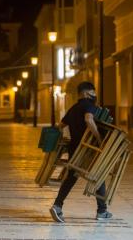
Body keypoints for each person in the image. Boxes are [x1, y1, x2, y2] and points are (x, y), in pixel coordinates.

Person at [49, 81, 112, 222]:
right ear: (85, 93)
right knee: (98, 174)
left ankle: (57, 206)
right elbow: (89, 120)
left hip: (74, 149)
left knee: (71, 177)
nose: (94, 95)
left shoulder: (73, 108)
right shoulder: (89, 105)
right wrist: (98, 138)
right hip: (87, 150)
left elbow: (61, 125)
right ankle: (102, 211)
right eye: (93, 92)